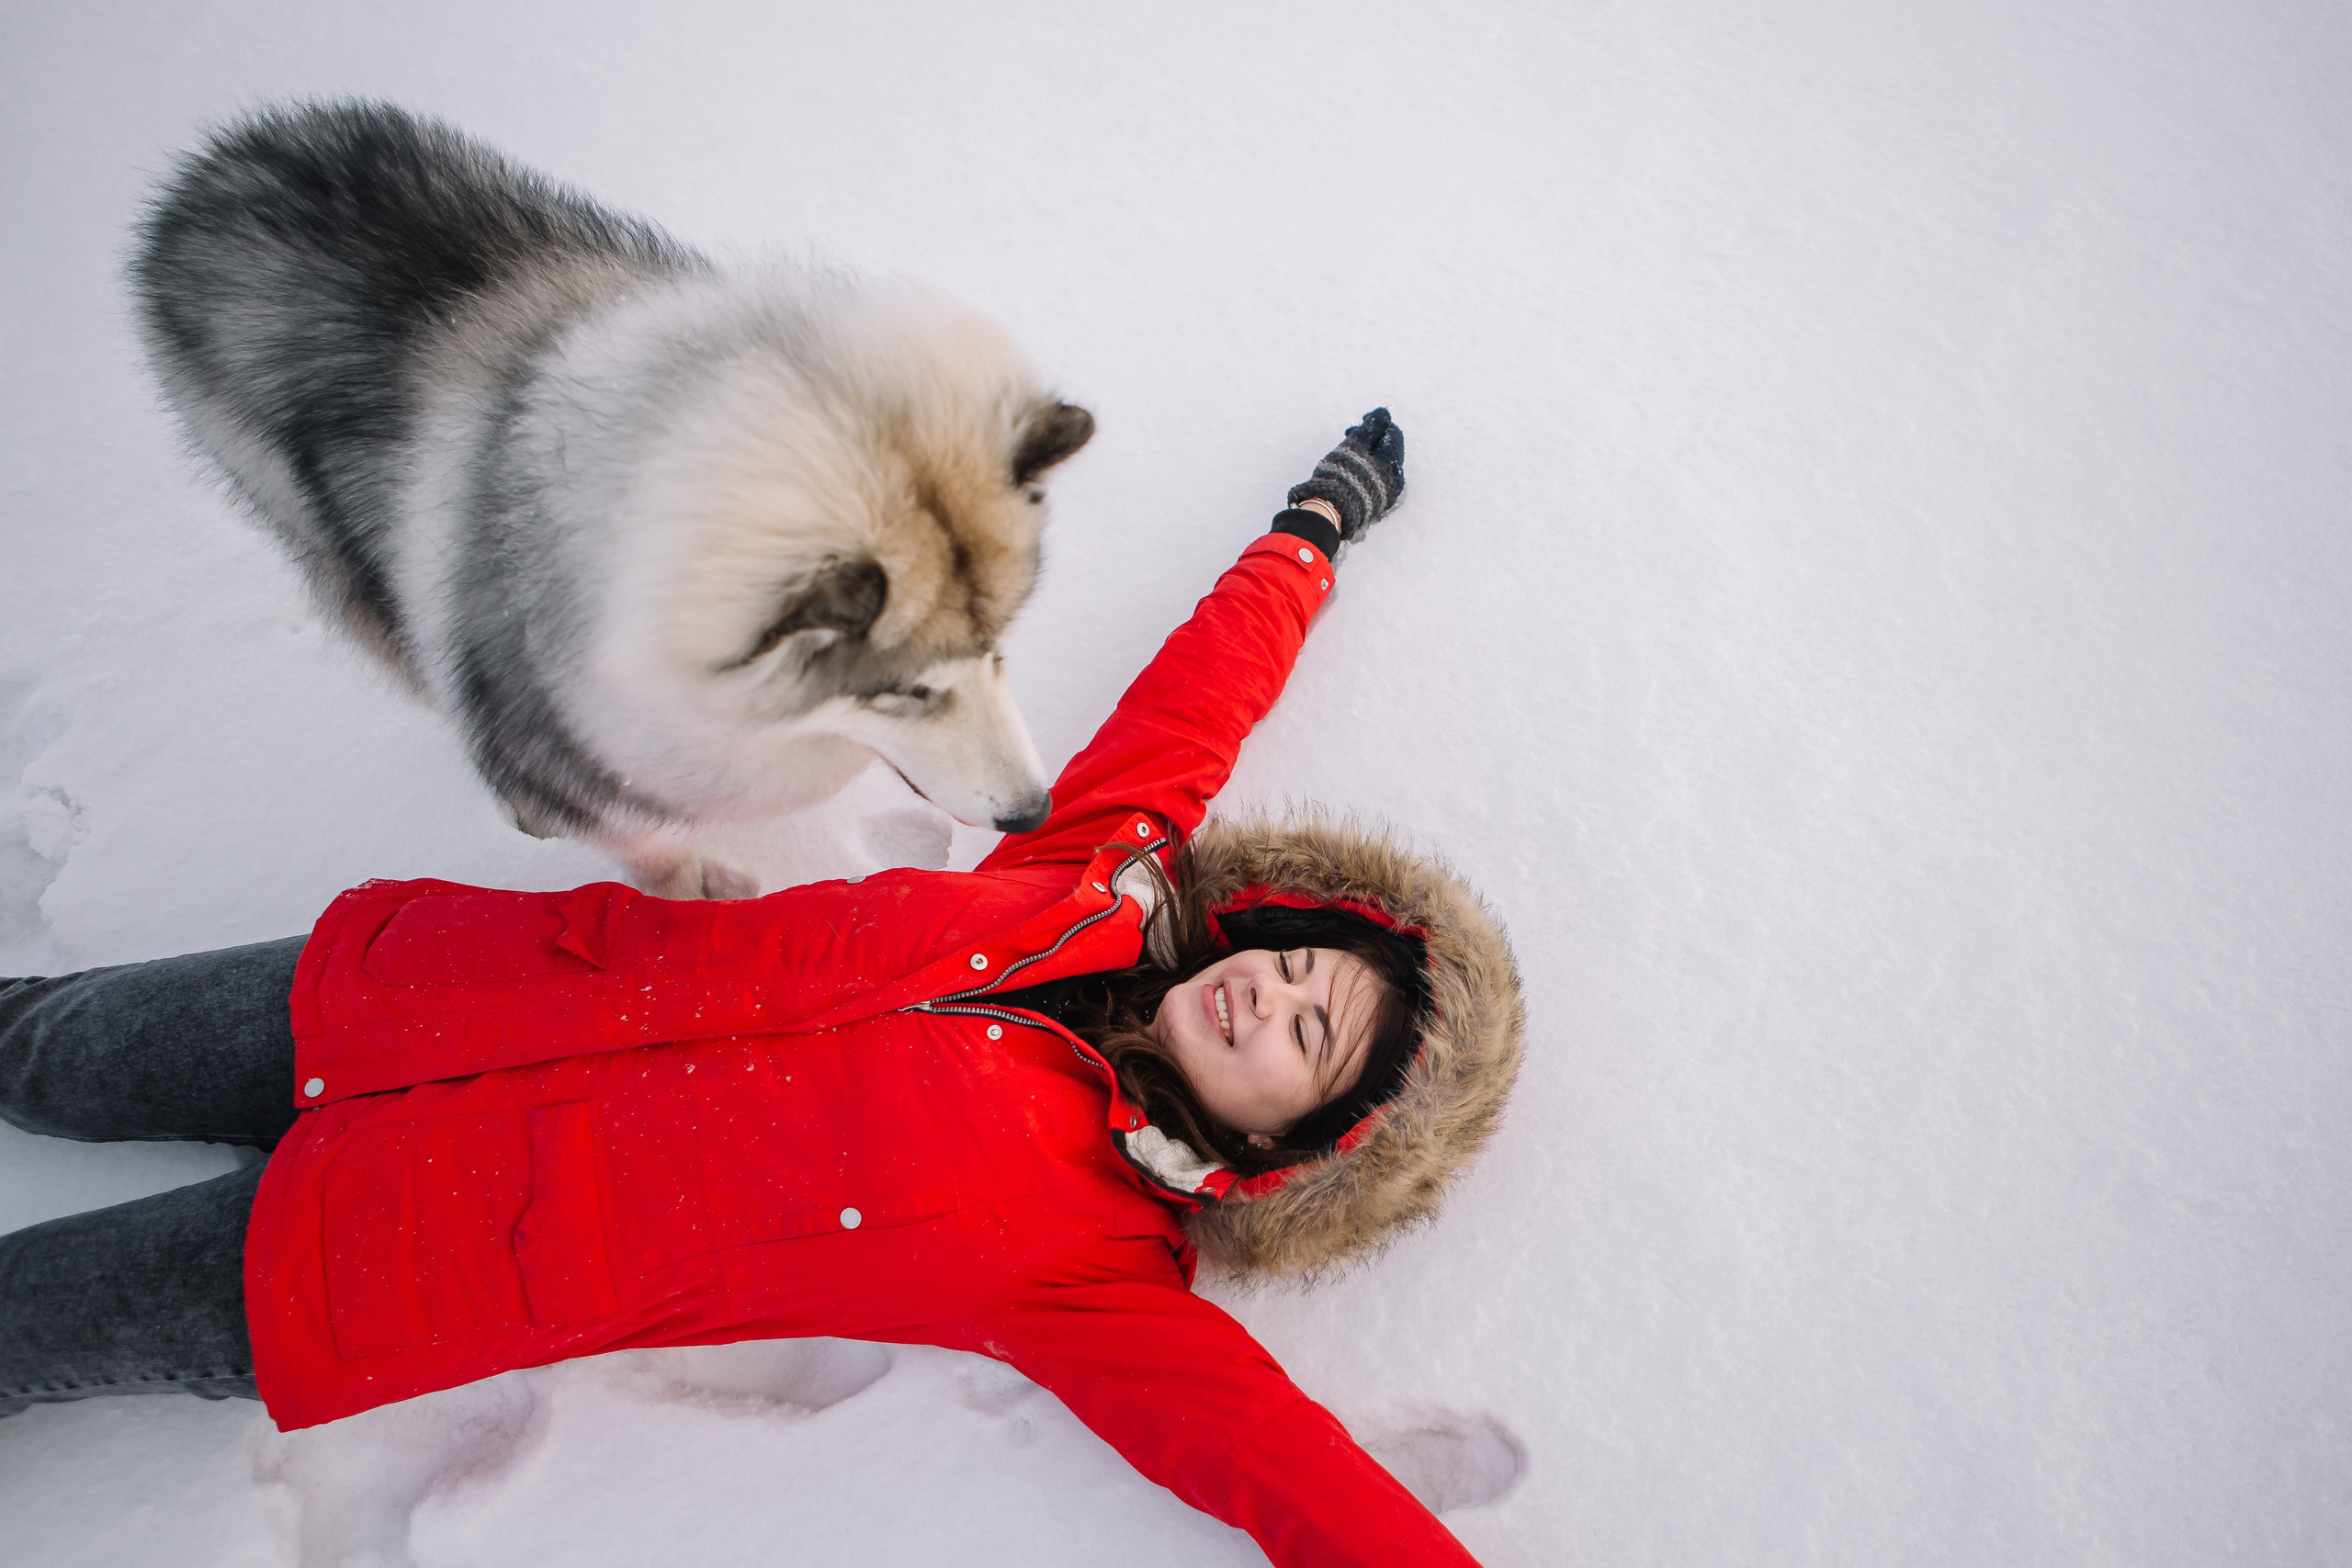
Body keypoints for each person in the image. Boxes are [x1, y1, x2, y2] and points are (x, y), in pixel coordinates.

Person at [0, 411, 1524, 1566]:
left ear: (1287, 1145)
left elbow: (1291, 1477)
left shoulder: (1095, 1273)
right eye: (1294, 962)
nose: (1267, 993)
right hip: (409, 1000)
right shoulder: (1088, 887)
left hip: (398, 1253)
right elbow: (1197, 710)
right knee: (40, 1046)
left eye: (1309, 1034)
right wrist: (1313, 530)